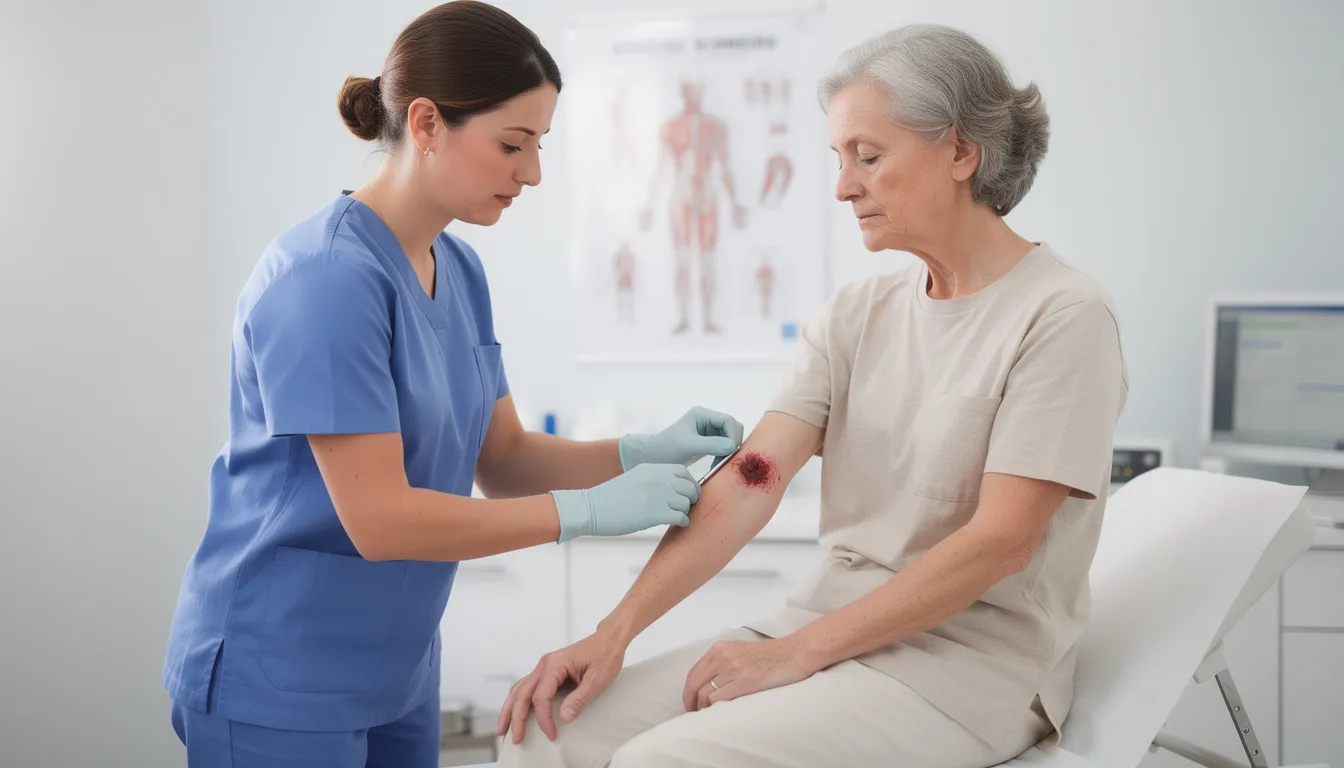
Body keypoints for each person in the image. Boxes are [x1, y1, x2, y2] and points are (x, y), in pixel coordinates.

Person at [496, 23, 1128, 768]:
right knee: (547, 730)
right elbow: (751, 481)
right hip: (818, 628)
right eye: (839, 159)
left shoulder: (1062, 316)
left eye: (868, 156)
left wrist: (795, 655)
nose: (843, 186)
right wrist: (612, 634)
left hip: (963, 672)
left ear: (961, 151)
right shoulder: (855, 317)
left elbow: (1002, 542)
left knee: (667, 760)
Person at [160, 3, 743, 766]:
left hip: (395, 669)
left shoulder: (457, 268)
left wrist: (638, 451)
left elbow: (502, 459)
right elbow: (381, 520)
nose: (531, 172)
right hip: (281, 672)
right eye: (513, 144)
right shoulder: (325, 280)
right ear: (428, 123)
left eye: (539, 145)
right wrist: (584, 514)